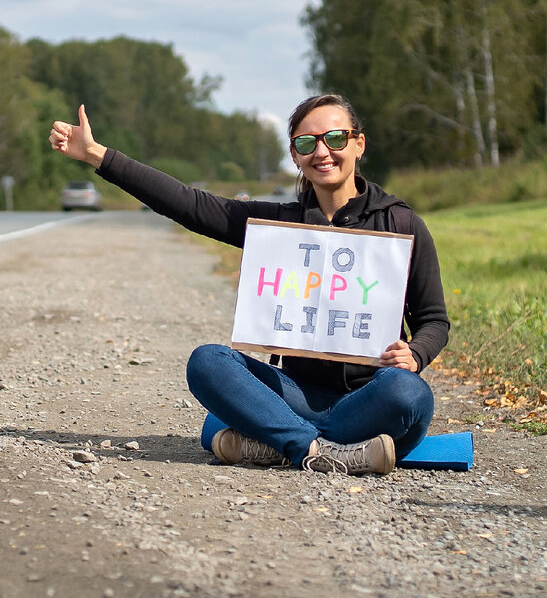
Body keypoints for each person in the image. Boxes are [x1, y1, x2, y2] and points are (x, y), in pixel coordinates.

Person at [48, 94, 449, 475]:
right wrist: (98, 155)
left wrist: (415, 354)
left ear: (358, 144)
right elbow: (189, 204)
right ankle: (318, 451)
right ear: (295, 155)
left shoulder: (401, 225)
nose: (322, 152)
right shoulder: (278, 226)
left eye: (336, 138)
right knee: (207, 361)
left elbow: (434, 320)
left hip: (371, 397)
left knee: (409, 394)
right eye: (307, 142)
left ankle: (275, 442)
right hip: (295, 395)